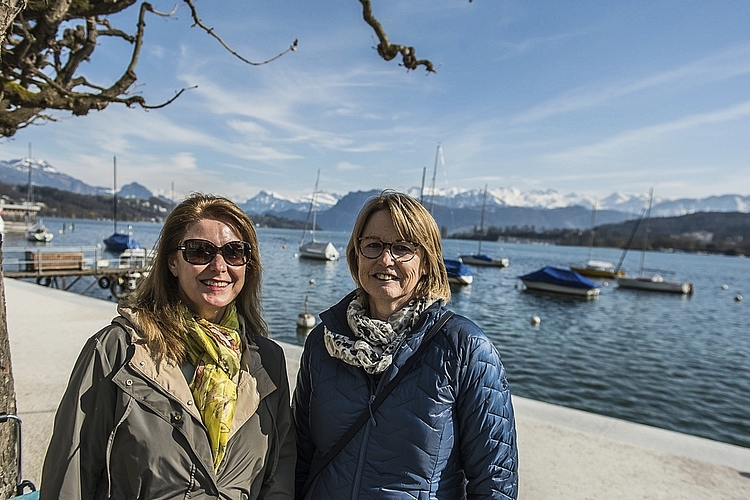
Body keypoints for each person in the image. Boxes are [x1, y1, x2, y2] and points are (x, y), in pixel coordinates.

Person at [40, 193, 296, 500]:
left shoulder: (266, 360)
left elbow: (280, 472)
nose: (219, 266)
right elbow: (71, 476)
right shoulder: (116, 351)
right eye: (199, 251)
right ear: (172, 262)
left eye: (234, 252)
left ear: (247, 265)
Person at [293, 190, 518, 499]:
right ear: (356, 254)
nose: (386, 259)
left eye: (402, 248)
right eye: (373, 245)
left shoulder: (464, 348)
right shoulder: (324, 341)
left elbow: (495, 481)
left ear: (426, 262)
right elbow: (300, 454)